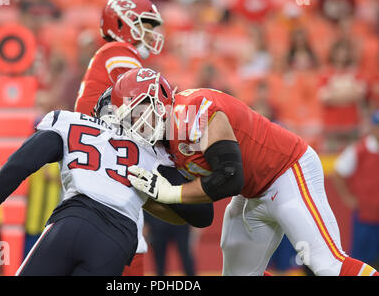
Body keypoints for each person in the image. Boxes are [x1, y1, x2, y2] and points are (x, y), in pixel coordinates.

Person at [0, 69, 212, 275]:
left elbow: (20, 164)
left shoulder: (72, 123)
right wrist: (159, 190)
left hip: (70, 223)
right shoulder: (155, 153)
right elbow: (203, 215)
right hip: (116, 240)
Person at [128, 86, 379, 276]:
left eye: (139, 111)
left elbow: (229, 177)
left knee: (327, 265)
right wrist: (152, 198)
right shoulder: (165, 144)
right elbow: (201, 214)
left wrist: (170, 193)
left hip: (287, 170)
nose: (136, 123)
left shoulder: (190, 112)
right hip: (252, 192)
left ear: (157, 102)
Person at [73, 0, 165, 276]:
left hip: (96, 159)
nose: (151, 33)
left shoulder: (114, 56)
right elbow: (143, 107)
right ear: (123, 23)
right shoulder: (119, 53)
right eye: (146, 24)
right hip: (104, 162)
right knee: (127, 243)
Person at [331, 109, 379, 269]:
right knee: (361, 260)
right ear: (372, 127)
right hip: (364, 216)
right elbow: (337, 171)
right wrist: (348, 198)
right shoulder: (360, 150)